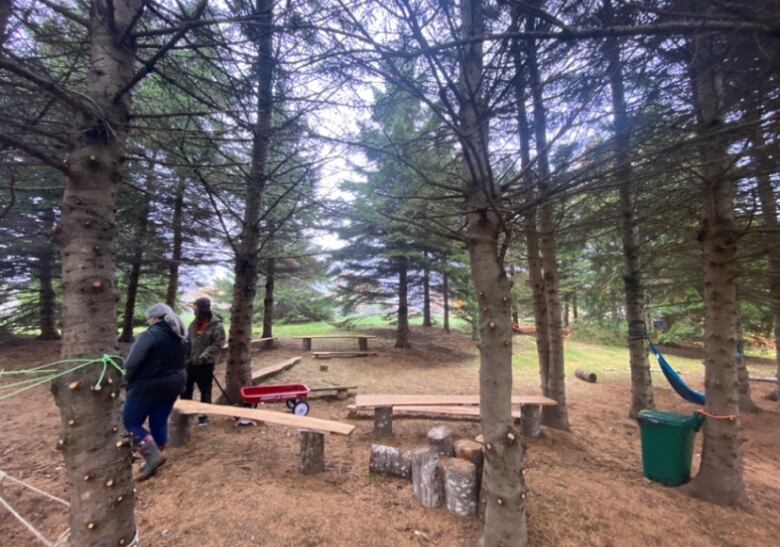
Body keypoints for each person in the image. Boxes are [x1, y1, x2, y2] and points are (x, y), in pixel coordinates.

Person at [122, 303, 187, 480]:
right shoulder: (179, 334)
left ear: (153, 318)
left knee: (130, 422)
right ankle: (156, 456)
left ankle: (153, 457)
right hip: (174, 383)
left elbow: (130, 364)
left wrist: (125, 379)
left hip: (148, 385)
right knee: (159, 420)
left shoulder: (149, 336)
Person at [183, 297, 225, 427]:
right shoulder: (193, 324)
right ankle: (186, 413)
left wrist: (206, 355)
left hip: (205, 364)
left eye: (195, 307)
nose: (194, 310)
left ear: (202, 308)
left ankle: (203, 415)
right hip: (189, 363)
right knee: (185, 389)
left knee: (205, 390)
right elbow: (188, 340)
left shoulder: (217, 325)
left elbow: (218, 343)